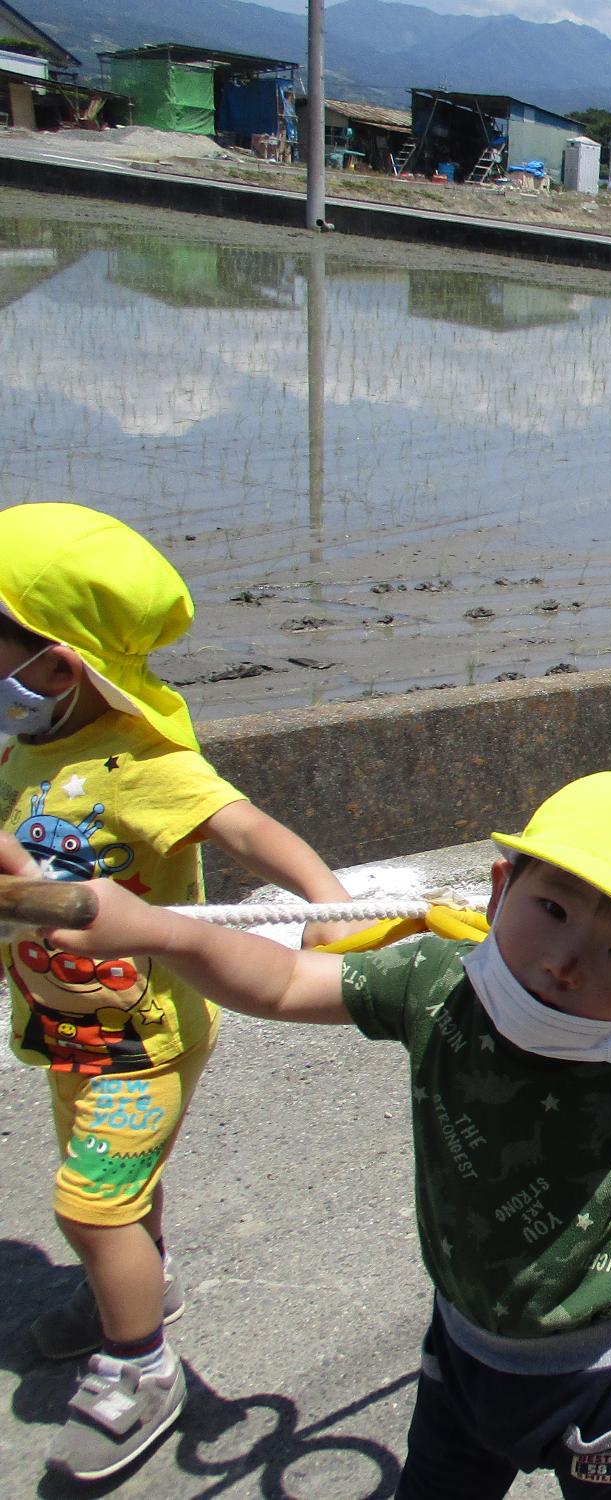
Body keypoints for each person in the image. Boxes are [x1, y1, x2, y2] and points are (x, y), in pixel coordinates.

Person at [4, 771, 611, 1497]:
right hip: (461, 1346)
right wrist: (159, 930)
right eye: (552, 908)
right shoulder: (438, 982)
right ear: (498, 889)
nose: (564, 963)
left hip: (605, 1365)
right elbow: (284, 982)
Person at [0, 503, 356, 1483]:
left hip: (142, 1033)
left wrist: (323, 893)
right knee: (107, 1177)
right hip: (60, 1024)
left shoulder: (132, 762)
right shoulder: (21, 752)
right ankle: (128, 1292)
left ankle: (140, 1364)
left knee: (90, 1204)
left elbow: (245, 829)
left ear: (55, 667)